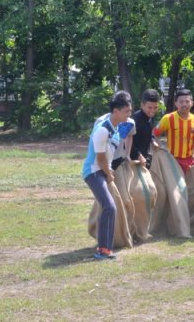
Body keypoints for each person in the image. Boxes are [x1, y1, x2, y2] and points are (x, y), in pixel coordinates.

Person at [82, 91, 132, 260]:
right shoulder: (102, 130)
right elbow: (100, 157)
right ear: (116, 112)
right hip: (93, 172)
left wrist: (109, 170)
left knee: (111, 207)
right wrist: (109, 174)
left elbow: (109, 154)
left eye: (129, 111)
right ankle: (102, 250)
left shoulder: (116, 128)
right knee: (109, 206)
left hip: (103, 170)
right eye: (126, 111)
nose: (129, 115)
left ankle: (107, 248)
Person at [153, 89, 194, 173]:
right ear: (176, 103)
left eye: (187, 101)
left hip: (189, 161)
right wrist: (159, 146)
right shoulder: (168, 118)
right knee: (175, 186)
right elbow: (154, 134)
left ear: (192, 103)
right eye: (181, 102)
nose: (184, 104)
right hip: (173, 161)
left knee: (191, 185)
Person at [129, 89, 160, 169]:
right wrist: (138, 155)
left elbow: (149, 133)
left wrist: (152, 141)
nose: (152, 111)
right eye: (149, 107)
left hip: (144, 156)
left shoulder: (150, 117)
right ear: (142, 105)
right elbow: (128, 142)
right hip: (132, 159)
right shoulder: (134, 120)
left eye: (155, 107)